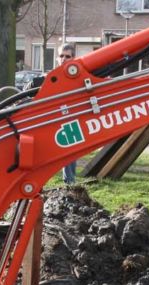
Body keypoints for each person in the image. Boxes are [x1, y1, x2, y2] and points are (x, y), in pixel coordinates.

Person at [59, 43, 79, 186]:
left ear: (73, 58)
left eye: (67, 56)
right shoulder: (51, 77)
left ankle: (69, 182)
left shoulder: (76, 77)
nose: (64, 59)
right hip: (52, 118)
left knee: (70, 151)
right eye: (61, 56)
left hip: (71, 117)